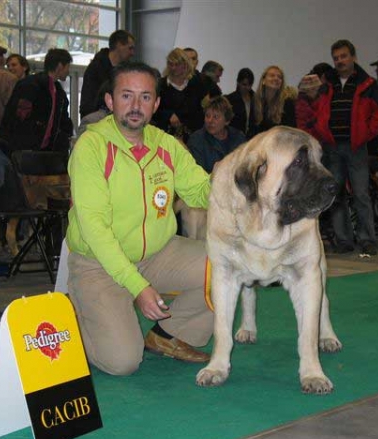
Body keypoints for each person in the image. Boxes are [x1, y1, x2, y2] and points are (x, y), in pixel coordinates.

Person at [66, 61, 213, 375]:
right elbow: (95, 228)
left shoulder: (167, 145)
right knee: (122, 362)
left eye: (145, 97)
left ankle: (168, 336)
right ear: (110, 100)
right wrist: (137, 287)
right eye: (126, 96)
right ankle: (78, 308)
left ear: (156, 104)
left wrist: (239, 180)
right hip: (99, 263)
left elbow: (202, 191)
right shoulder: (90, 148)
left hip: (158, 253)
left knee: (225, 265)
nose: (135, 106)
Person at [309, 39, 378, 255]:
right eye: (336, 58)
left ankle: (367, 239)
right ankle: (343, 239)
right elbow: (315, 110)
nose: (340, 61)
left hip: (356, 147)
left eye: (343, 56)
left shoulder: (369, 84)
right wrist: (321, 131)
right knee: (335, 195)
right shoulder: (327, 85)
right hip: (332, 147)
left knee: (362, 193)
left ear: (353, 56)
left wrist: (365, 133)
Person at [0, 48, 73, 154]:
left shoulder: (58, 91)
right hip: (24, 150)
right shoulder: (31, 85)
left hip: (42, 151)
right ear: (60, 66)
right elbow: (18, 118)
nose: (68, 71)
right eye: (68, 67)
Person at [154, 48, 210, 142]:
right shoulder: (161, 85)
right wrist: (168, 115)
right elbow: (152, 108)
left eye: (177, 64)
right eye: (171, 64)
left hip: (192, 136)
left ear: (185, 65)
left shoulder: (196, 83)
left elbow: (203, 107)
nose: (173, 67)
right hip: (165, 135)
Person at [79, 29, 135, 118]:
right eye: (130, 48)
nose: (132, 53)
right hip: (99, 121)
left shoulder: (128, 71)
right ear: (119, 45)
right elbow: (87, 104)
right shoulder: (95, 69)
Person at [187, 95, 246, 173]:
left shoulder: (239, 138)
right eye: (207, 116)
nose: (210, 121)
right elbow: (198, 174)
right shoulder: (196, 141)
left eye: (216, 117)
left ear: (227, 121)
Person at [253, 65, 296, 133]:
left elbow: (291, 130)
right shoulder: (254, 101)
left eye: (279, 77)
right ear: (263, 80)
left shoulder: (287, 103)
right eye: (272, 75)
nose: (276, 78)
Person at [225, 67, 257, 139]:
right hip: (233, 138)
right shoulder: (229, 99)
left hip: (252, 138)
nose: (247, 88)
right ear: (238, 83)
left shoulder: (257, 100)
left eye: (249, 85)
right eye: (244, 84)